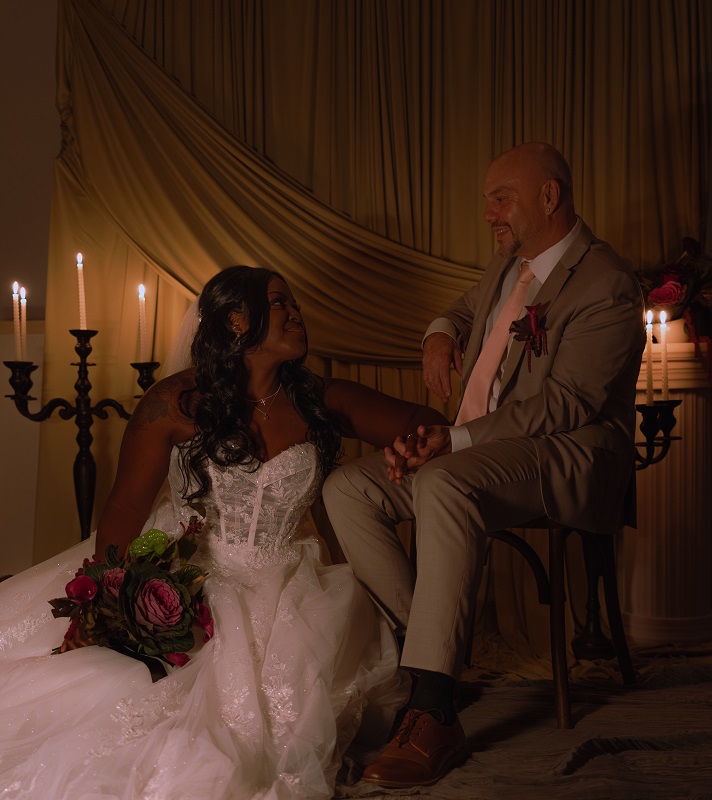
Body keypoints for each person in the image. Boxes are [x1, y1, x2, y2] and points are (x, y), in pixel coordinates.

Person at [0, 265, 448, 800]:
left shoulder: (319, 399)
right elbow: (125, 505)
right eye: (280, 303)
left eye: (295, 304)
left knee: (286, 710)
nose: (296, 314)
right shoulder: (174, 401)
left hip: (291, 584)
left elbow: (423, 419)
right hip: (189, 573)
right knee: (118, 697)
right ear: (237, 319)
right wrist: (105, 599)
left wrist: (411, 447)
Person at [322, 142, 646, 789]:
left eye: (502, 199)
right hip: (477, 452)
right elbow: (466, 309)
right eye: (488, 201)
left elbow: (567, 404)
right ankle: (425, 658)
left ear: (549, 197)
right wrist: (440, 332)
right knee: (348, 487)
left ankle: (435, 712)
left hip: (573, 455)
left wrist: (455, 440)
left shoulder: (607, 283)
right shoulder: (510, 267)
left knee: (445, 480)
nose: (489, 214)